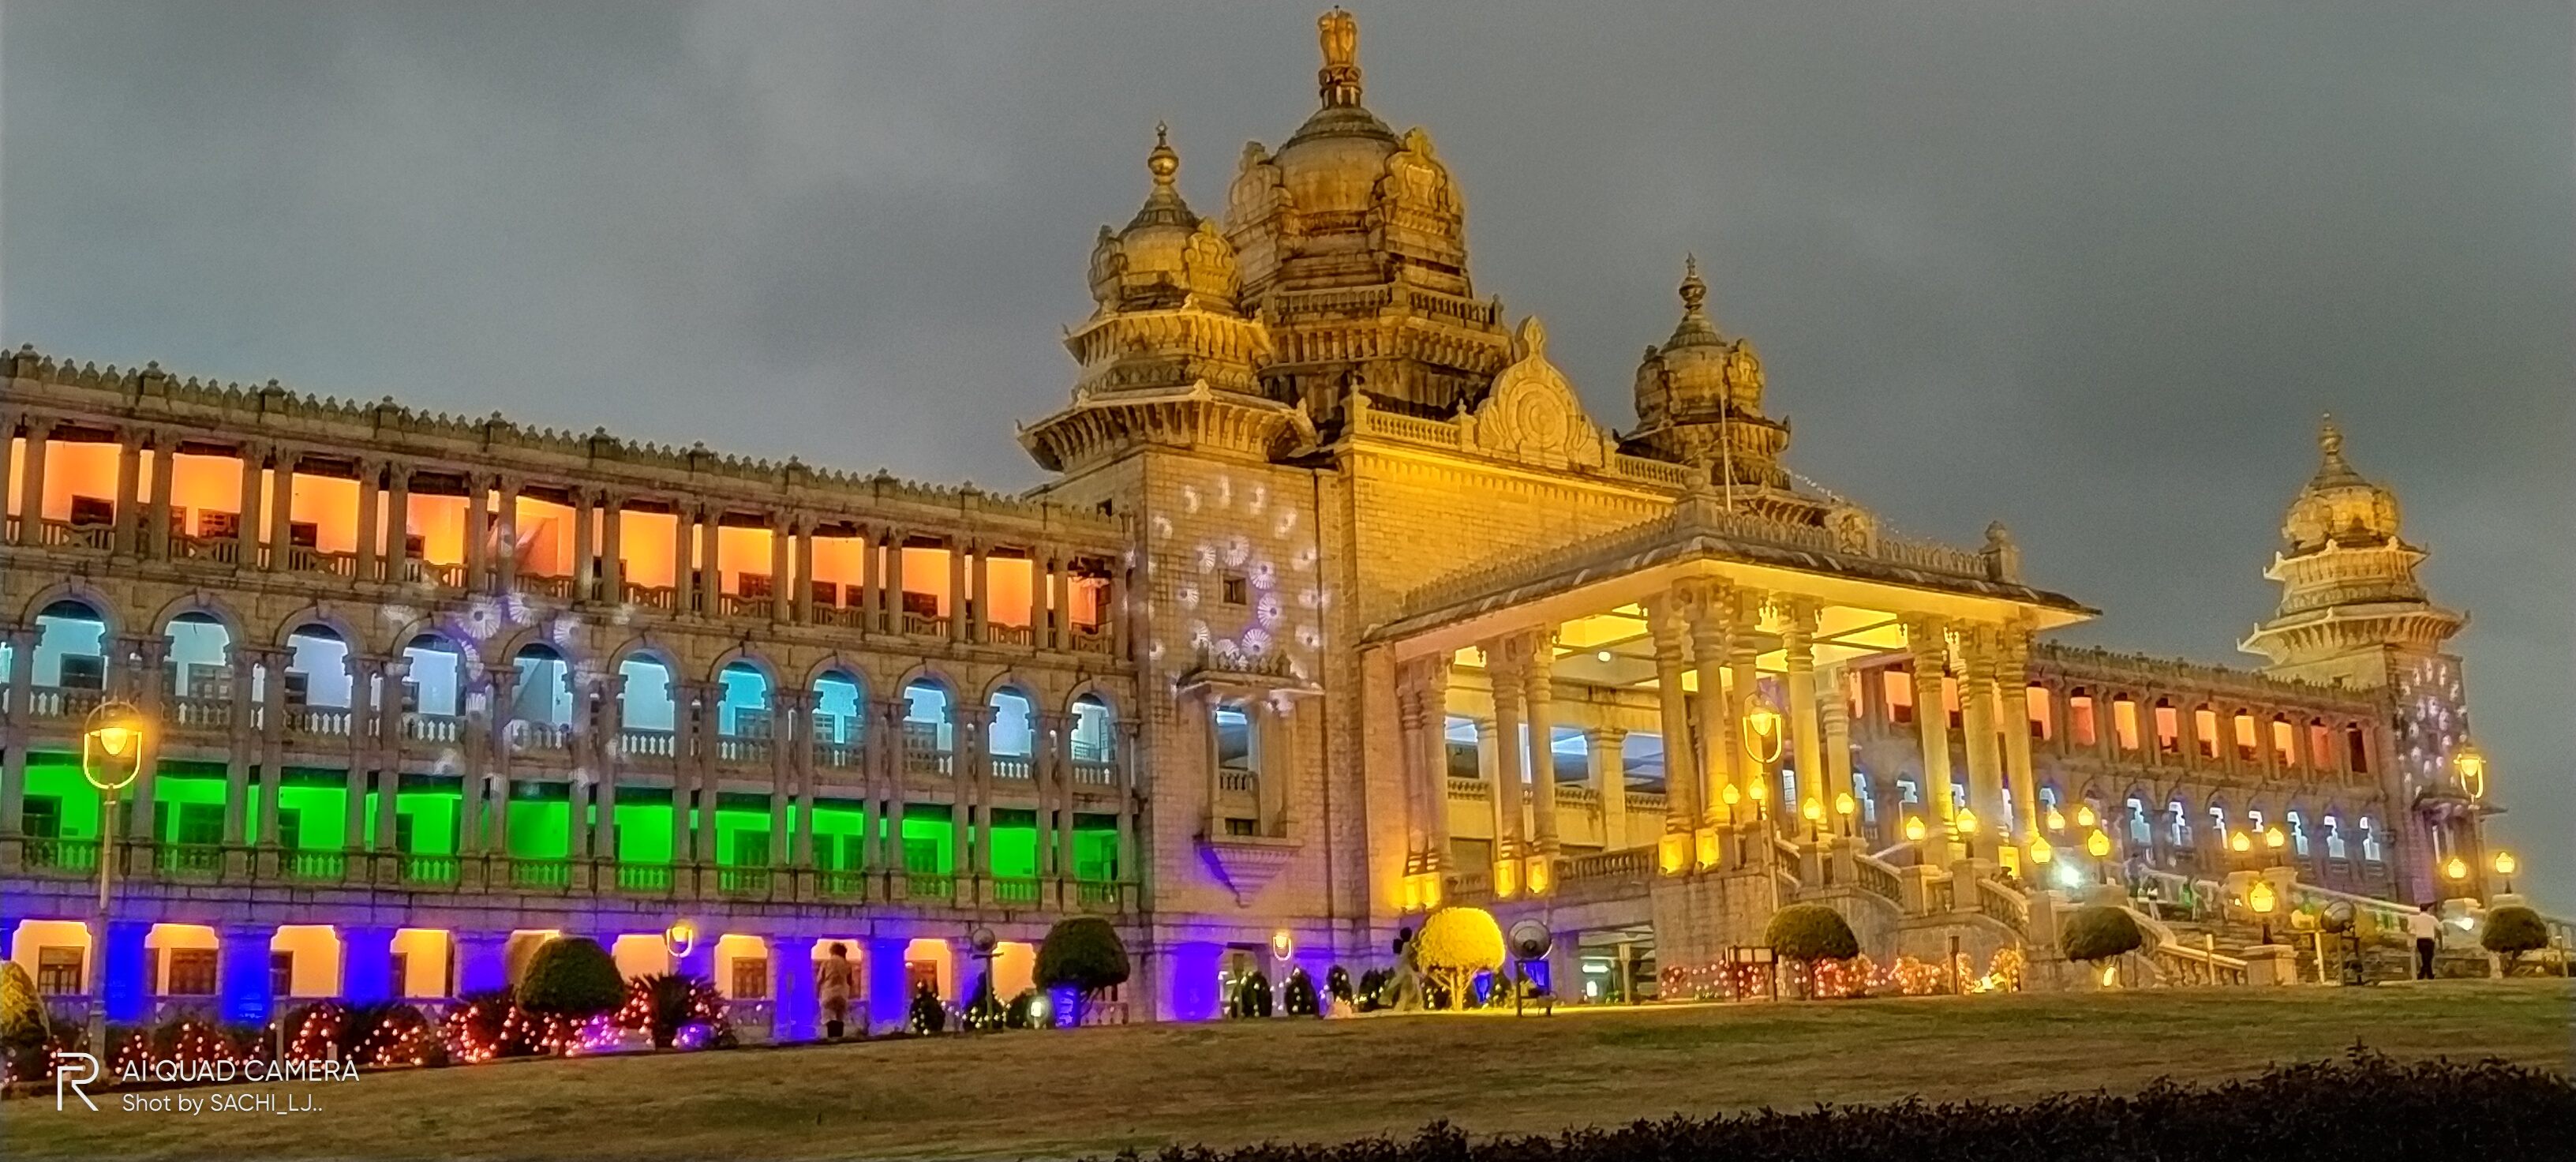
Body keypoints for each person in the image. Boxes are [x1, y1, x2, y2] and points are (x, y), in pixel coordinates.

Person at [816, 942, 856, 1040]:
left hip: (828, 993)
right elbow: (850, 981)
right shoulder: (847, 964)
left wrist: (816, 993)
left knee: (829, 1017)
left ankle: (831, 1038)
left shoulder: (826, 963)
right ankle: (839, 1038)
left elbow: (820, 980)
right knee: (840, 1017)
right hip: (842, 993)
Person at [2408, 906, 2442, 980]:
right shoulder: (2432, 918)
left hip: (2420, 940)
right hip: (2429, 940)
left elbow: (2409, 928)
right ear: (2428, 910)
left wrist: (2414, 931)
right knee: (2429, 957)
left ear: (2420, 910)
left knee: (2424, 957)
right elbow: (2440, 927)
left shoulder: (2415, 918)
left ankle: (2428, 975)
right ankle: (2423, 974)